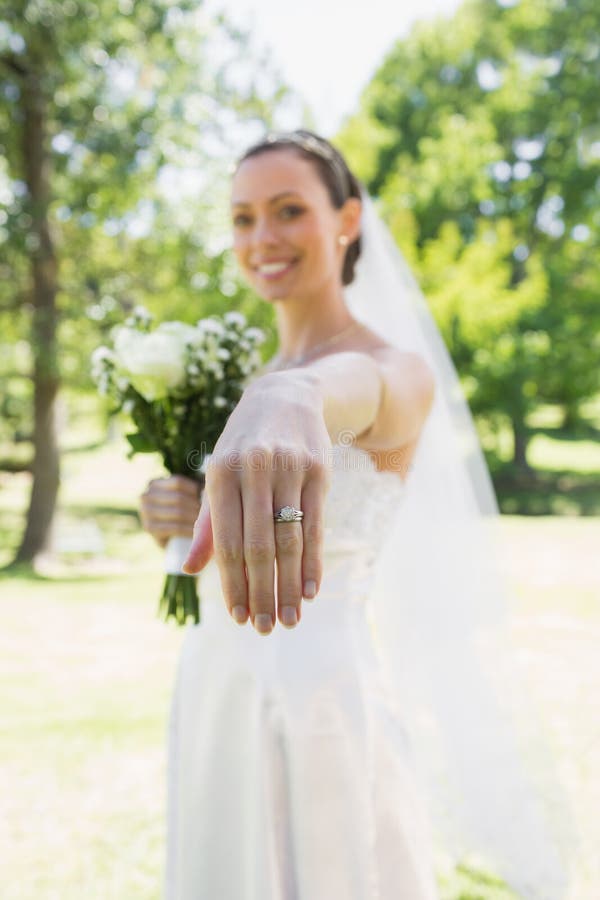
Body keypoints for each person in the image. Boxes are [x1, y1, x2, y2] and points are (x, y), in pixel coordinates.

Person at [141, 131, 573, 899]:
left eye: (287, 210)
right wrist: (177, 517)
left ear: (347, 220)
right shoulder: (238, 376)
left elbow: (357, 394)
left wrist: (296, 395)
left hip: (319, 704)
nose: (262, 238)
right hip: (215, 684)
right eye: (242, 218)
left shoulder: (390, 368)